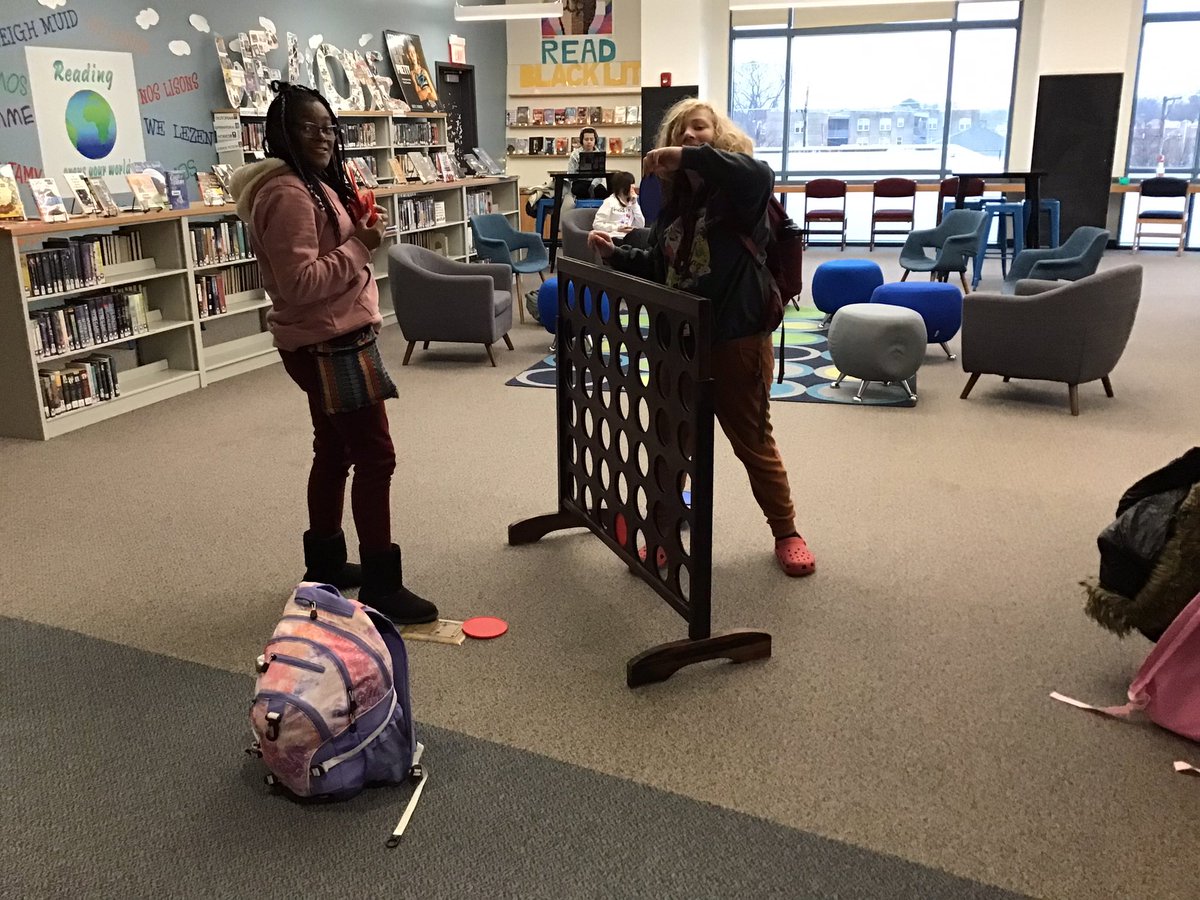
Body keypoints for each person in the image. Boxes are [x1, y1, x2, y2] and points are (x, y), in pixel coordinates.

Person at [230, 81, 438, 622]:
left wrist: (353, 232)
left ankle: (324, 568)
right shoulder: (289, 193)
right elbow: (299, 282)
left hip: (327, 336)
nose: (322, 138)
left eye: (328, 127)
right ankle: (381, 585)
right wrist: (360, 247)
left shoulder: (307, 184)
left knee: (334, 448)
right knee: (375, 456)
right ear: (280, 134)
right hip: (330, 342)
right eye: (307, 128)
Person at [586, 98, 814, 577]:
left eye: (699, 129)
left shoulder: (743, 191)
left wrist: (687, 157)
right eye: (680, 133)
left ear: (718, 136)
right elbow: (660, 267)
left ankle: (787, 531)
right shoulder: (675, 207)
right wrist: (616, 256)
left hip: (736, 340)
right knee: (670, 444)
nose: (689, 137)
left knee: (752, 441)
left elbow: (758, 173)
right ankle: (665, 534)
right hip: (679, 346)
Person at [590, 171, 645, 239]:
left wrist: (634, 204)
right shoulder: (610, 202)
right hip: (613, 237)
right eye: (631, 185)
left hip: (629, 237)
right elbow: (596, 224)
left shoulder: (632, 204)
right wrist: (617, 228)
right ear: (622, 188)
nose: (633, 188)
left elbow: (641, 225)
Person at [567, 127, 609, 202]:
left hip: (594, 182)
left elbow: (600, 175)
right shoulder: (575, 154)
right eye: (586, 139)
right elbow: (570, 175)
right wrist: (578, 171)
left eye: (591, 139)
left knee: (603, 192)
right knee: (578, 190)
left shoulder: (599, 154)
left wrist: (592, 186)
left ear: (595, 141)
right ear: (582, 141)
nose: (589, 142)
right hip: (580, 182)